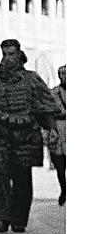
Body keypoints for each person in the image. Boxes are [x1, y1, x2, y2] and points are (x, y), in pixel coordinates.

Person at [0, 39, 59, 234]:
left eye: (11, 54)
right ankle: (2, 217)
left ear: (19, 55)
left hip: (26, 134)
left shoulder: (32, 79)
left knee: (22, 178)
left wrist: (51, 129)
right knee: (0, 175)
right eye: (4, 54)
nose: (7, 58)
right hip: (1, 134)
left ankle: (19, 219)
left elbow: (46, 105)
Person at [48, 65, 66, 206]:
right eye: (60, 73)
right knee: (60, 164)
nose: (63, 76)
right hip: (59, 130)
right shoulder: (53, 93)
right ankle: (64, 189)